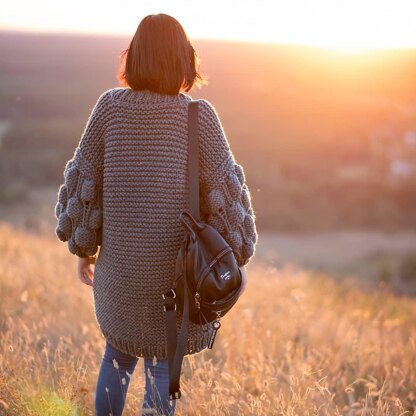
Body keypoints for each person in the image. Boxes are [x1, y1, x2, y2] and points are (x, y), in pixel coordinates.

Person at [54, 13, 258, 416]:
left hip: (121, 276)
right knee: (164, 370)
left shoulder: (109, 109)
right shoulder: (201, 117)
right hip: (177, 281)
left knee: (116, 359)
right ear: (185, 60)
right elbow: (229, 201)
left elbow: (84, 188)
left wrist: (84, 252)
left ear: (134, 58)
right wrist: (238, 260)